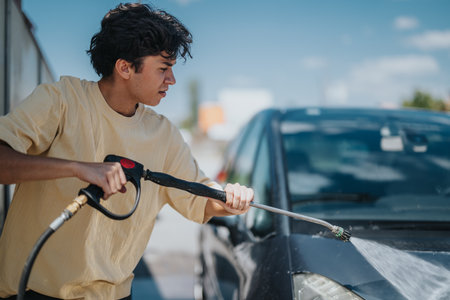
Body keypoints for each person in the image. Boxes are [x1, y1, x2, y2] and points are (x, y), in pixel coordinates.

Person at [0, 3, 254, 299]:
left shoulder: (164, 135)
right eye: (163, 69)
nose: (171, 80)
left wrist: (232, 199)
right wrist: (77, 167)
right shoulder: (61, 101)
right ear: (124, 67)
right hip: (30, 292)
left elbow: (203, 201)